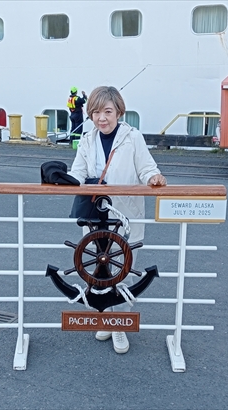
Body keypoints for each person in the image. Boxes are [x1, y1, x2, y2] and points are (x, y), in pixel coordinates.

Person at [67, 85, 167, 354]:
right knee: (98, 273)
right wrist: (60, 179)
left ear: (119, 112)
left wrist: (154, 178)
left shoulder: (133, 138)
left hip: (126, 217)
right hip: (94, 217)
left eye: (108, 112)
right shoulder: (87, 139)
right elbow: (78, 172)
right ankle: (105, 319)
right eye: (96, 112)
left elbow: (147, 169)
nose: (102, 118)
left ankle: (119, 324)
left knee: (123, 273)